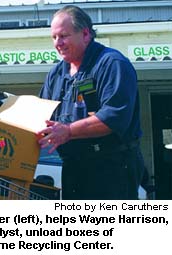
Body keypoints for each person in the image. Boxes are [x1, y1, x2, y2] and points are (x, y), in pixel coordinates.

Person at [37, 5, 145, 200]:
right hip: (73, 167)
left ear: (85, 34)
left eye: (63, 36)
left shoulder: (112, 64)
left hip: (112, 168)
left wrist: (68, 131)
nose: (57, 43)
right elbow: (41, 115)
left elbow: (112, 119)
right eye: (54, 37)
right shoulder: (56, 73)